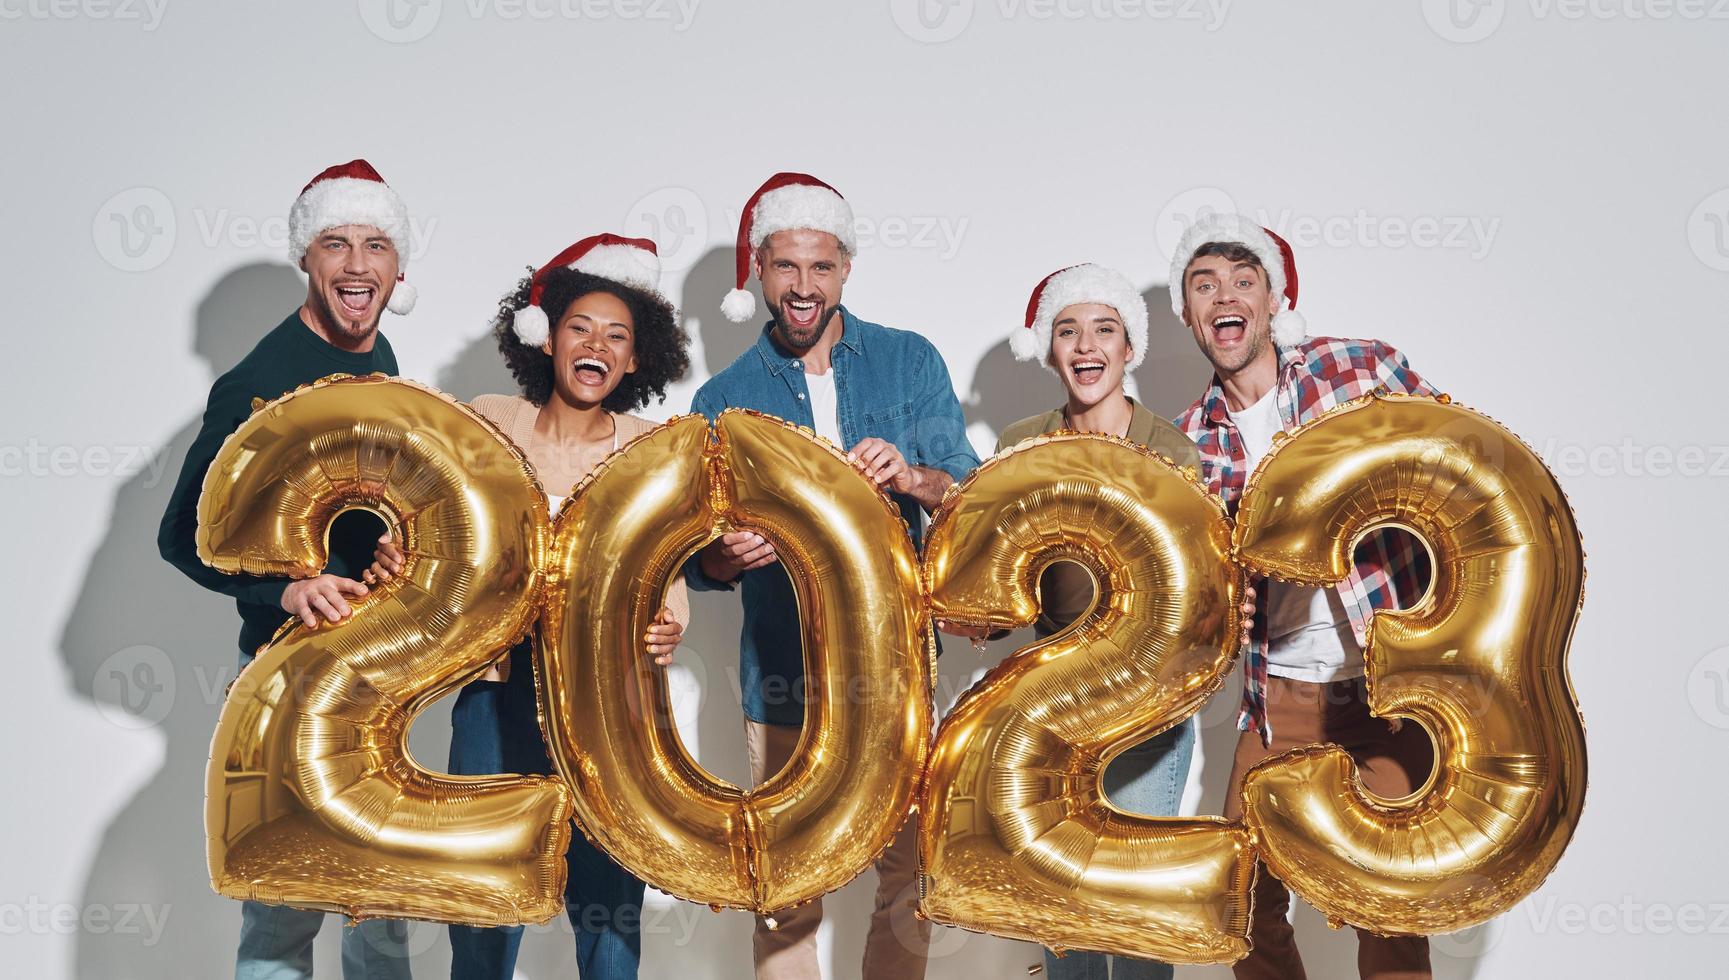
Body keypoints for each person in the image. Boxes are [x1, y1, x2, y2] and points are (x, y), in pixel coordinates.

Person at [369, 233, 692, 980]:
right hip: (495, 696)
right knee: (484, 897)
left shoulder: (653, 446)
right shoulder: (489, 418)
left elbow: (665, 560)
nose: (597, 345)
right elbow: (425, 506)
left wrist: (670, 620)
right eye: (581, 327)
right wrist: (395, 553)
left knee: (609, 898)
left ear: (636, 360)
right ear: (547, 339)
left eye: (618, 336)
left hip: (611, 704)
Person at [689, 172, 980, 980]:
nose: (803, 286)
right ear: (759, 272)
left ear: (844, 269)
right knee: (786, 885)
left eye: (820, 267)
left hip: (894, 678)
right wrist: (724, 555)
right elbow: (695, 556)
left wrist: (914, 476)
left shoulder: (907, 361)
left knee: (908, 873)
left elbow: (967, 484)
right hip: (781, 680)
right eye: (786, 268)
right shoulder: (722, 399)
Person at [156, 158, 419, 979]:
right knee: (285, 906)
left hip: (369, 681)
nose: (355, 264)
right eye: (335, 244)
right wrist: (284, 587)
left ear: (397, 268)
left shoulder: (383, 363)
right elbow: (179, 535)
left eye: (374, 245)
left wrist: (393, 550)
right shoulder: (259, 383)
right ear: (306, 258)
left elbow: (365, 503)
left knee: (379, 904)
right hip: (283, 678)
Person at [1168, 213, 1437, 980]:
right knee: (1241, 896)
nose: (1224, 296)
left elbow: (1458, 472)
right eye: (1204, 285)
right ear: (1189, 315)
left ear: (1272, 300)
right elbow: (1195, 594)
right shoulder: (1187, 443)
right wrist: (1223, 612)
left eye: (1242, 281)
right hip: (1276, 697)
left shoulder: (1357, 371)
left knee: (1384, 897)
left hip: (1383, 690)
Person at [992, 263, 1251, 980]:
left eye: (1103, 329)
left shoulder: (1170, 451)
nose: (1085, 345)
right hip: (1051, 707)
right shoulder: (1021, 442)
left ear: (1128, 347)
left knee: (1132, 908)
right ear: (1047, 350)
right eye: (1066, 330)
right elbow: (1000, 574)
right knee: (1059, 900)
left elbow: (1200, 589)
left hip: (1149, 707)